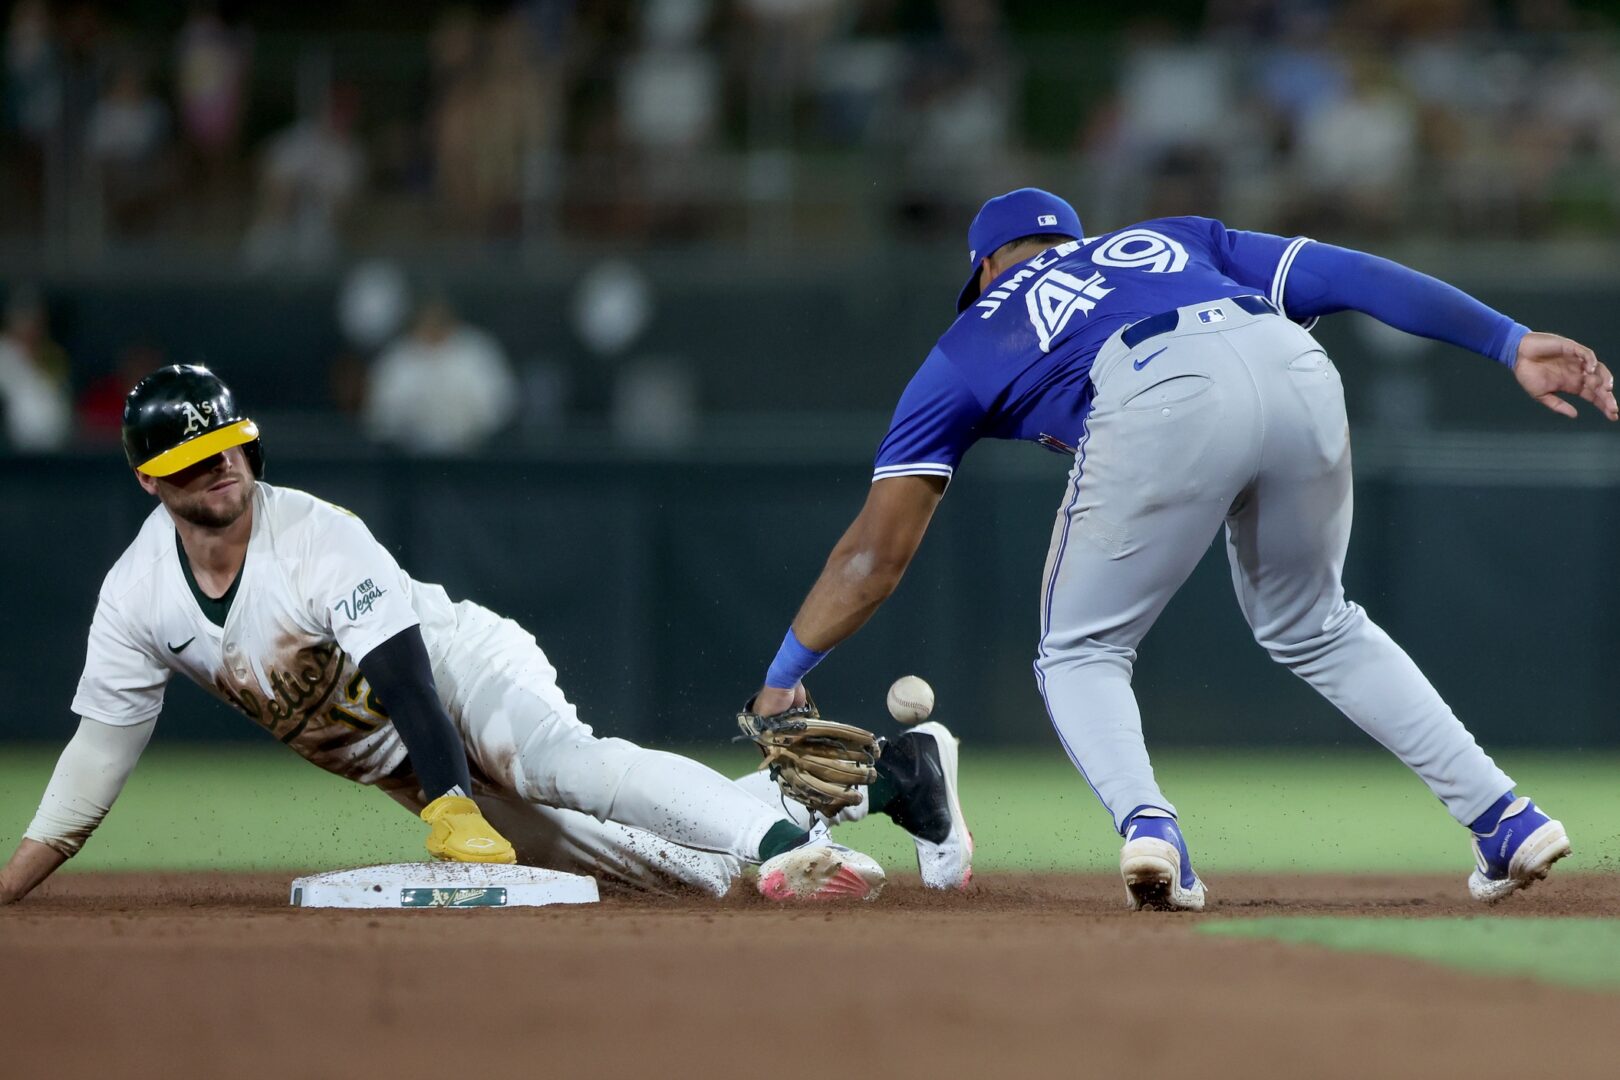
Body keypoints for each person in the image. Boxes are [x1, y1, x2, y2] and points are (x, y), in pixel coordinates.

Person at [749, 187, 1616, 911]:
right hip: (1292, 360)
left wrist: (784, 679)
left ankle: (1150, 828)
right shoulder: (1166, 240)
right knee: (1318, 624)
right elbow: (1350, 274)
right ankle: (1503, 818)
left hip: (1155, 387)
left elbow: (873, 558)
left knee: (1081, 652)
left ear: (982, 269)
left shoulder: (969, 339)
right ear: (1073, 241)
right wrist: (1506, 340)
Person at [0, 365, 965, 906]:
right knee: (650, 871)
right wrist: (13, 884)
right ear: (148, 480)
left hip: (455, 670)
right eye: (194, 460)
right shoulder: (138, 597)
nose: (222, 469)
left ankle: (783, 841)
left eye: (230, 448)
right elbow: (96, 755)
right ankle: (896, 776)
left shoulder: (314, 536)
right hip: (413, 764)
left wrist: (453, 798)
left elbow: (405, 675)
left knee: (563, 765)